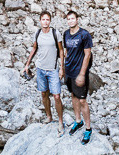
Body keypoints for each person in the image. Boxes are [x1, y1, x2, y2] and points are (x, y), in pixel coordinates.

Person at [22, 11, 66, 134]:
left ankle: (60, 122)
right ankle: (49, 116)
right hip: (40, 69)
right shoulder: (37, 33)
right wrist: (27, 64)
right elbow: (34, 48)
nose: (45, 22)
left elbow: (61, 51)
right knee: (44, 94)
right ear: (40, 21)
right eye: (43, 19)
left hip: (53, 69)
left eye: (47, 20)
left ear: (50, 21)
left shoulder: (55, 33)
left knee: (56, 96)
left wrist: (62, 68)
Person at [62, 10, 94, 144]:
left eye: (72, 18)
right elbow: (66, 51)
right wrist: (63, 68)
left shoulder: (84, 35)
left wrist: (82, 74)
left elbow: (87, 55)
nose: (70, 21)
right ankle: (78, 121)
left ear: (77, 19)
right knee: (73, 96)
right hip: (69, 71)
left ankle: (88, 128)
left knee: (82, 100)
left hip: (79, 72)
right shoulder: (66, 34)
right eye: (68, 19)